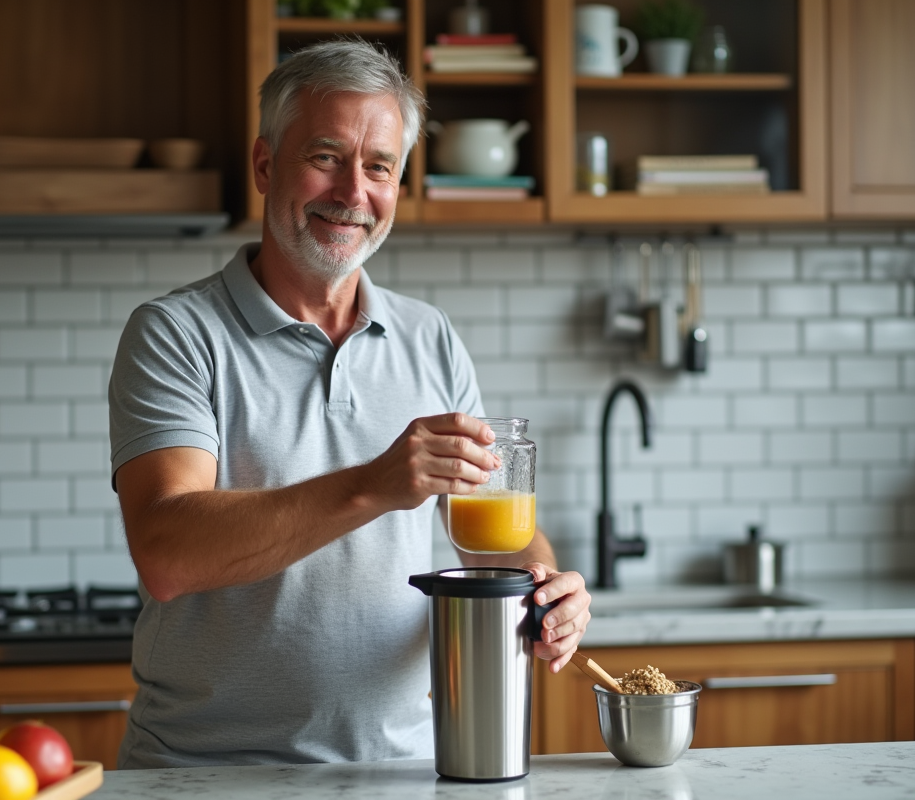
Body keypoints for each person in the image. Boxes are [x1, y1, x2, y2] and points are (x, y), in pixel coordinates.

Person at [108, 38, 591, 770]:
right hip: (208, 776)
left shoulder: (429, 337)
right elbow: (167, 553)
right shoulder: (176, 334)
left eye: (379, 167)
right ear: (266, 164)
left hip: (404, 771)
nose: (352, 193)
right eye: (326, 157)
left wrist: (547, 587)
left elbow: (490, 534)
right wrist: (372, 484)